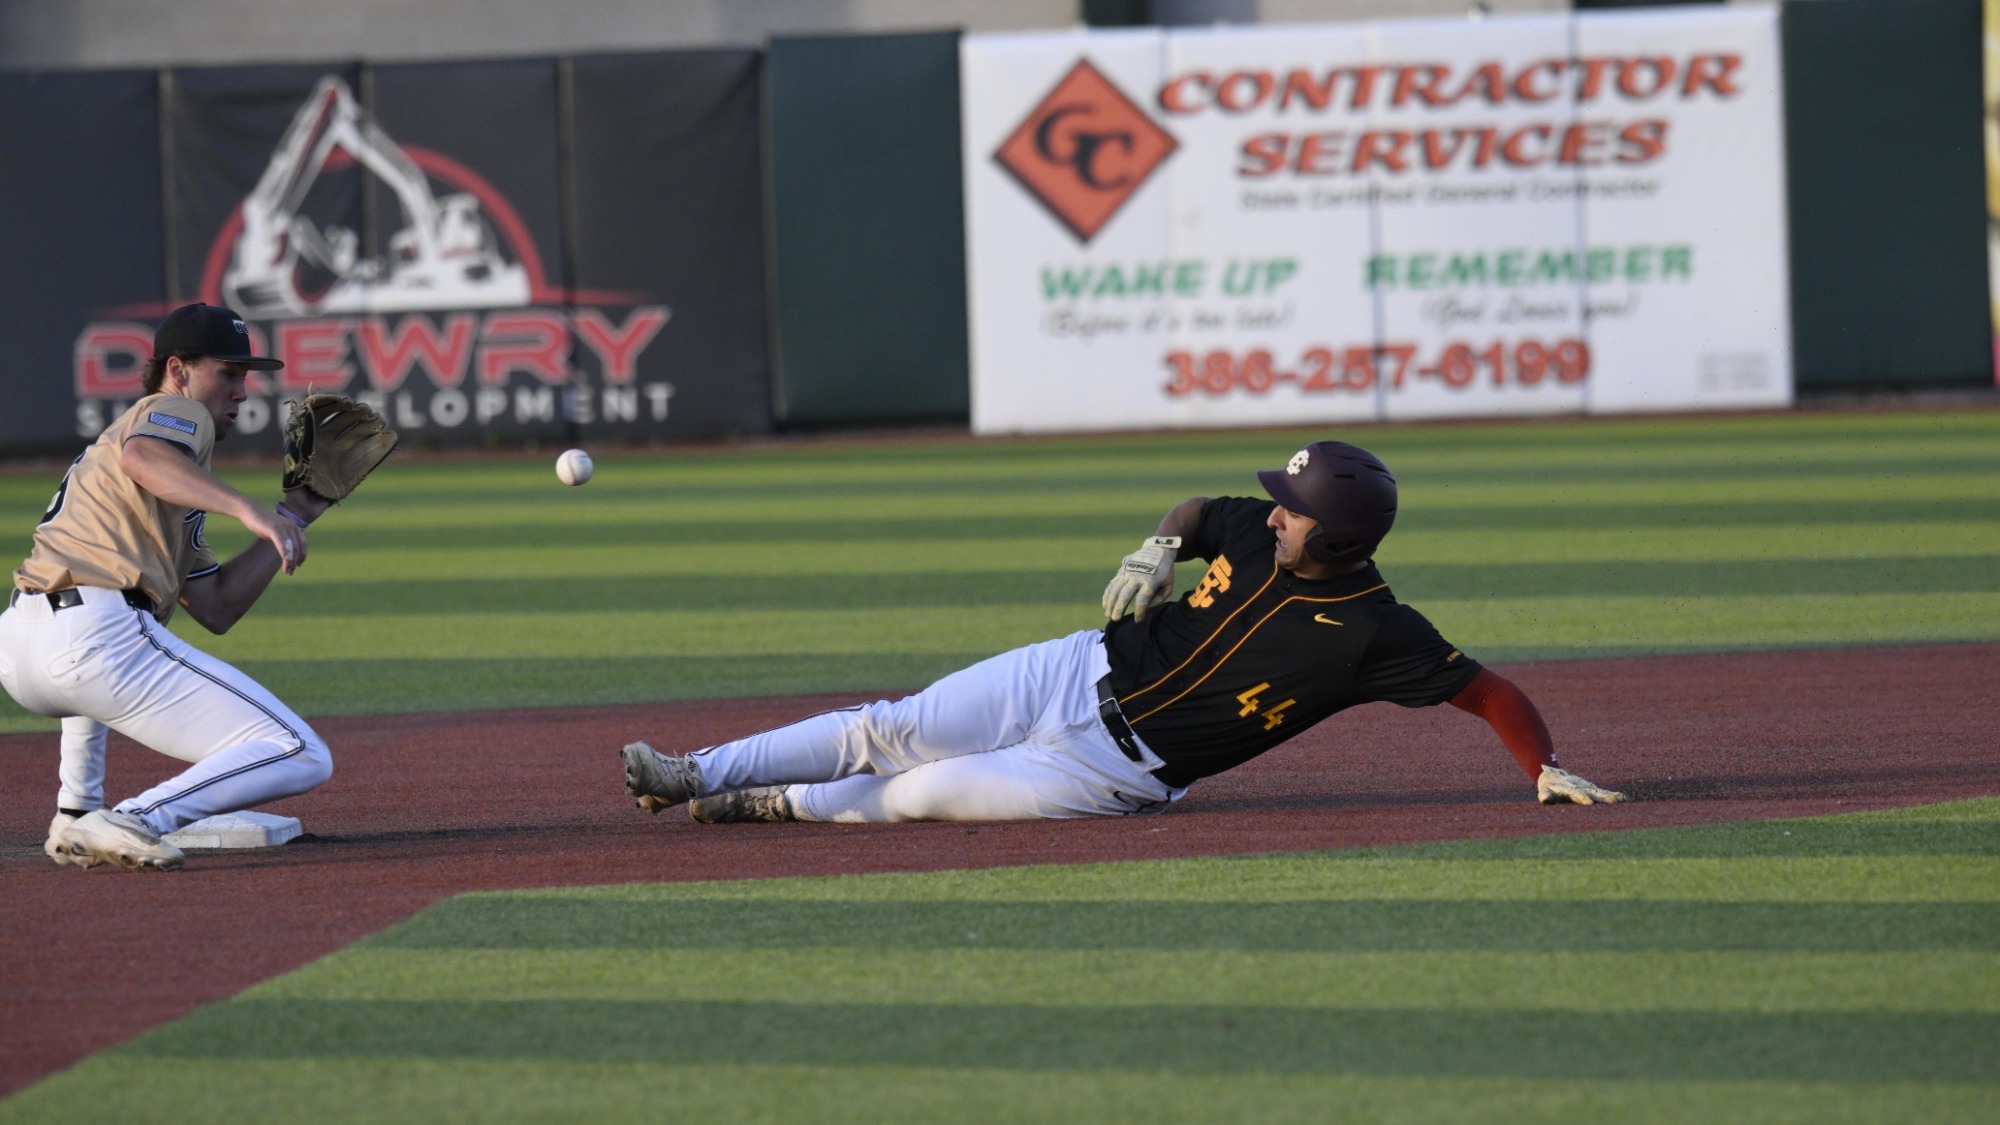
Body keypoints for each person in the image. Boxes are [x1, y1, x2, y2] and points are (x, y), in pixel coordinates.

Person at [621, 439, 1627, 825]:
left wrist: (1539, 763)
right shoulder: (1248, 526)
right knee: (893, 726)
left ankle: (778, 805)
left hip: (1114, 775)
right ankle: (695, 773)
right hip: (1075, 667)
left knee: (919, 794)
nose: (1270, 511)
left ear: (1337, 535)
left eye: (1292, 507)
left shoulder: (1374, 630)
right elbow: (1196, 507)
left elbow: (1487, 691)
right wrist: (1153, 544)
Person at [0, 303, 338, 871]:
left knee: (110, 637)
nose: (241, 391)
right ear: (178, 370)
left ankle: (77, 810)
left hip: (20, 649)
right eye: (227, 374)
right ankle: (137, 817)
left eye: (245, 377)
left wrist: (296, 512)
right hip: (93, 639)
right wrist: (253, 513)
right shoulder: (174, 411)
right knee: (300, 752)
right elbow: (146, 456)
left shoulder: (165, 496)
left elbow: (216, 605)